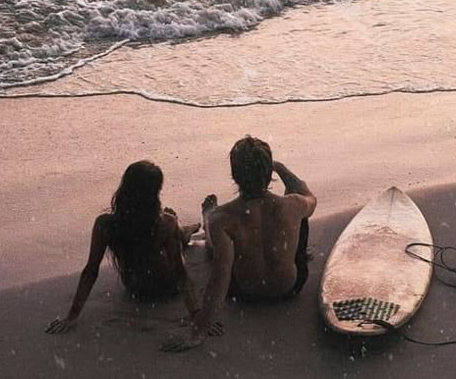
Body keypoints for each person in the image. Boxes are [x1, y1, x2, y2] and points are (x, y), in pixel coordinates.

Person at [162, 135, 317, 352]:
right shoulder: (293, 204)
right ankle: (289, 249)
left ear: (235, 175)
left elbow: (220, 277)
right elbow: (308, 195)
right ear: (268, 173)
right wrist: (280, 167)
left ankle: (207, 218)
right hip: (289, 288)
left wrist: (198, 332)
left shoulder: (224, 217)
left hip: (245, 292)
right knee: (300, 215)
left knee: (218, 246)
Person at [45, 160, 201, 334]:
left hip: (135, 288)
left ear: (124, 188)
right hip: (168, 286)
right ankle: (186, 231)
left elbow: (91, 270)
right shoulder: (165, 224)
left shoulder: (105, 224)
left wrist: (72, 316)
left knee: (171, 228)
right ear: (155, 193)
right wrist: (196, 314)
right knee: (173, 232)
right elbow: (180, 273)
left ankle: (184, 231)